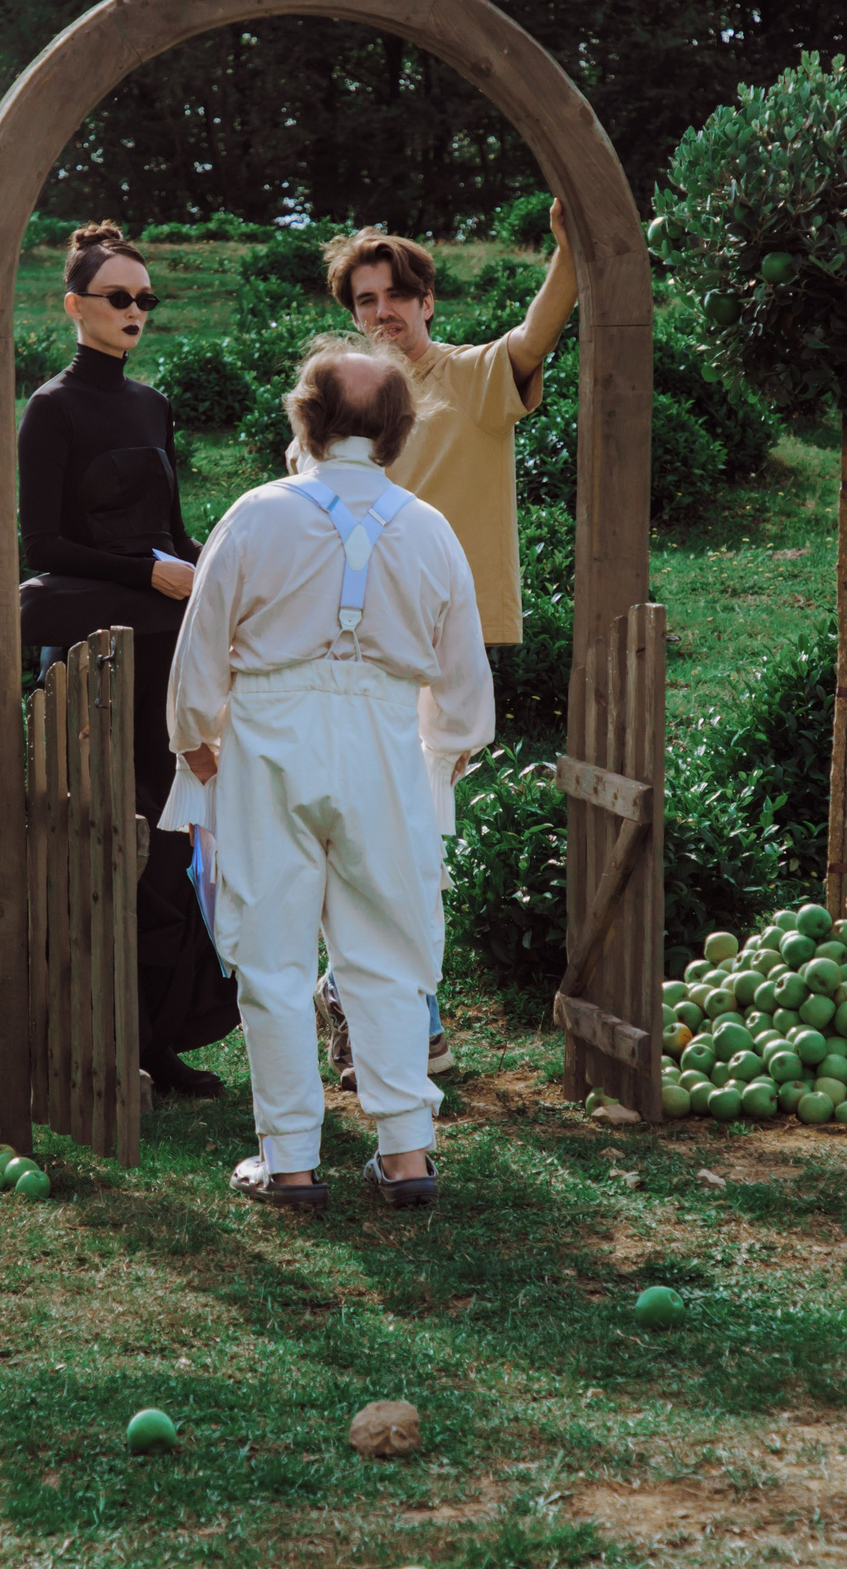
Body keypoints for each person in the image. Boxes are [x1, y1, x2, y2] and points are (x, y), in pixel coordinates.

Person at [162, 336, 495, 1210]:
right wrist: (435, 757)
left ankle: (292, 1160)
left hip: (270, 736)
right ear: (397, 432)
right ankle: (407, 1152)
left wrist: (198, 737)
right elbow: (464, 693)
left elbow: (199, 653)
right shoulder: (430, 529)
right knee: (387, 954)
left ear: (305, 418)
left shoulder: (257, 513)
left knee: (270, 959)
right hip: (385, 743)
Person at [309, 201, 580, 1090]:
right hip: (348, 655)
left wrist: (573, 247)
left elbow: (541, 330)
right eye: (364, 299)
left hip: (444, 653)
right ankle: (394, 1021)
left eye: (395, 295)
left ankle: (369, 1005)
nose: (381, 312)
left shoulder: (470, 379)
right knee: (390, 839)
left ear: (427, 301)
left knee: (413, 840)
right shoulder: (340, 404)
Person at [17, 220, 238, 1097]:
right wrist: (149, 570)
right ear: (76, 306)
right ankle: (91, 1030)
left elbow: (174, 527)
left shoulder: (152, 404)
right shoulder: (51, 407)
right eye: (119, 297)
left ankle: (161, 1037)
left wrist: (214, 573)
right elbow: (45, 542)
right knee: (113, 825)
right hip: (98, 633)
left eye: (145, 297)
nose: (135, 309)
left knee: (173, 827)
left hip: (168, 634)